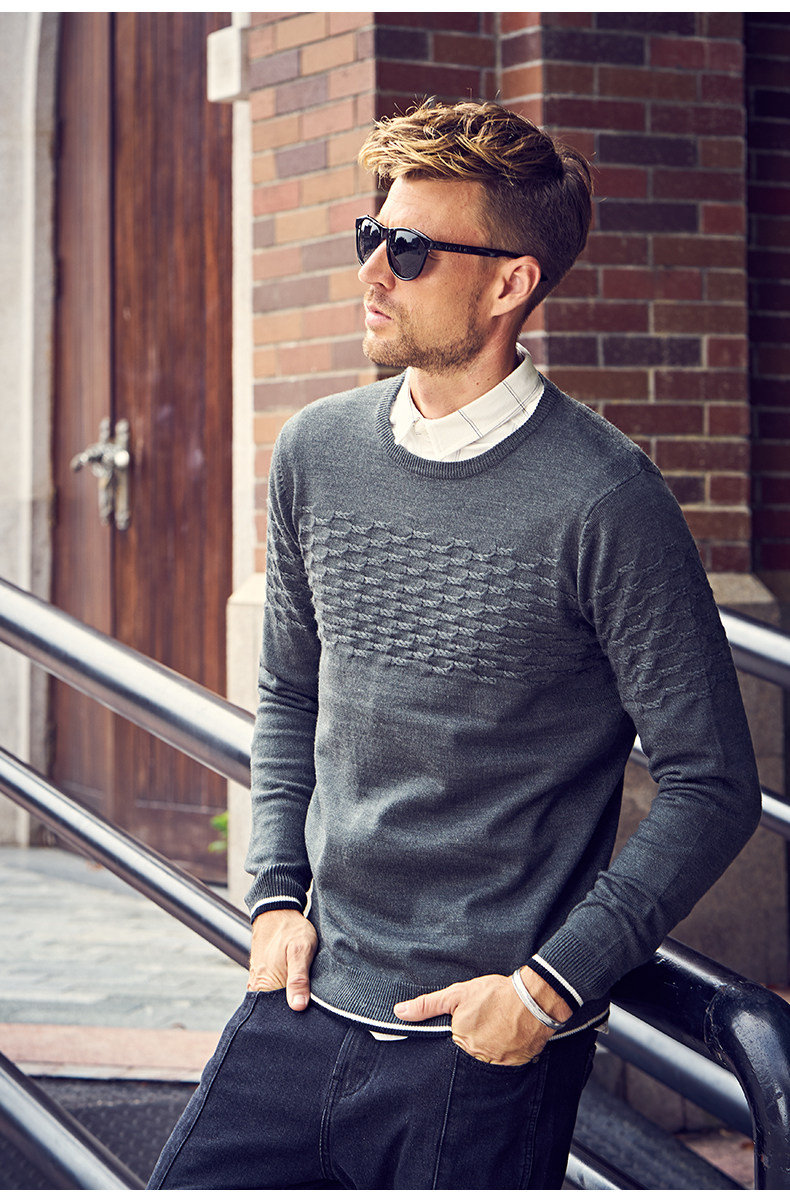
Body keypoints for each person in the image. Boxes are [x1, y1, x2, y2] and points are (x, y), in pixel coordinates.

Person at [148, 100, 761, 1191]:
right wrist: (274, 893)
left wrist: (546, 990)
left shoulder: (608, 501)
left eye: (411, 249)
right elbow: (290, 687)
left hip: (478, 1048)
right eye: (370, 235)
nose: (371, 272)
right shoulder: (316, 452)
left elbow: (712, 783)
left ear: (510, 283)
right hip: (299, 1001)